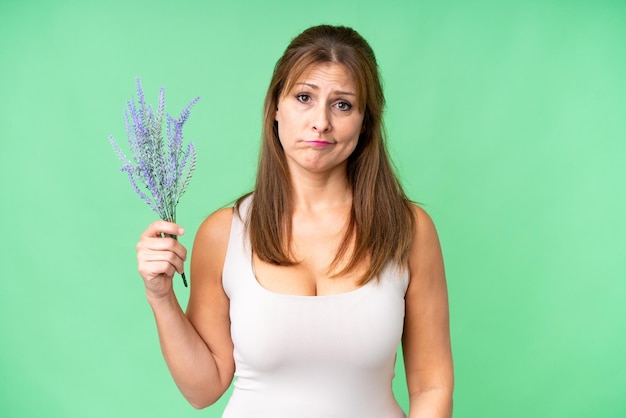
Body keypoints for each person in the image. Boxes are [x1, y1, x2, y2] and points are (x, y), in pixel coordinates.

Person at [136, 24, 453, 418]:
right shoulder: (224, 233)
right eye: (304, 97)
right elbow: (203, 389)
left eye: (342, 105)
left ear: (365, 122)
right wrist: (161, 297)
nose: (320, 121)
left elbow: (432, 384)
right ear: (275, 109)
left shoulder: (409, 229)